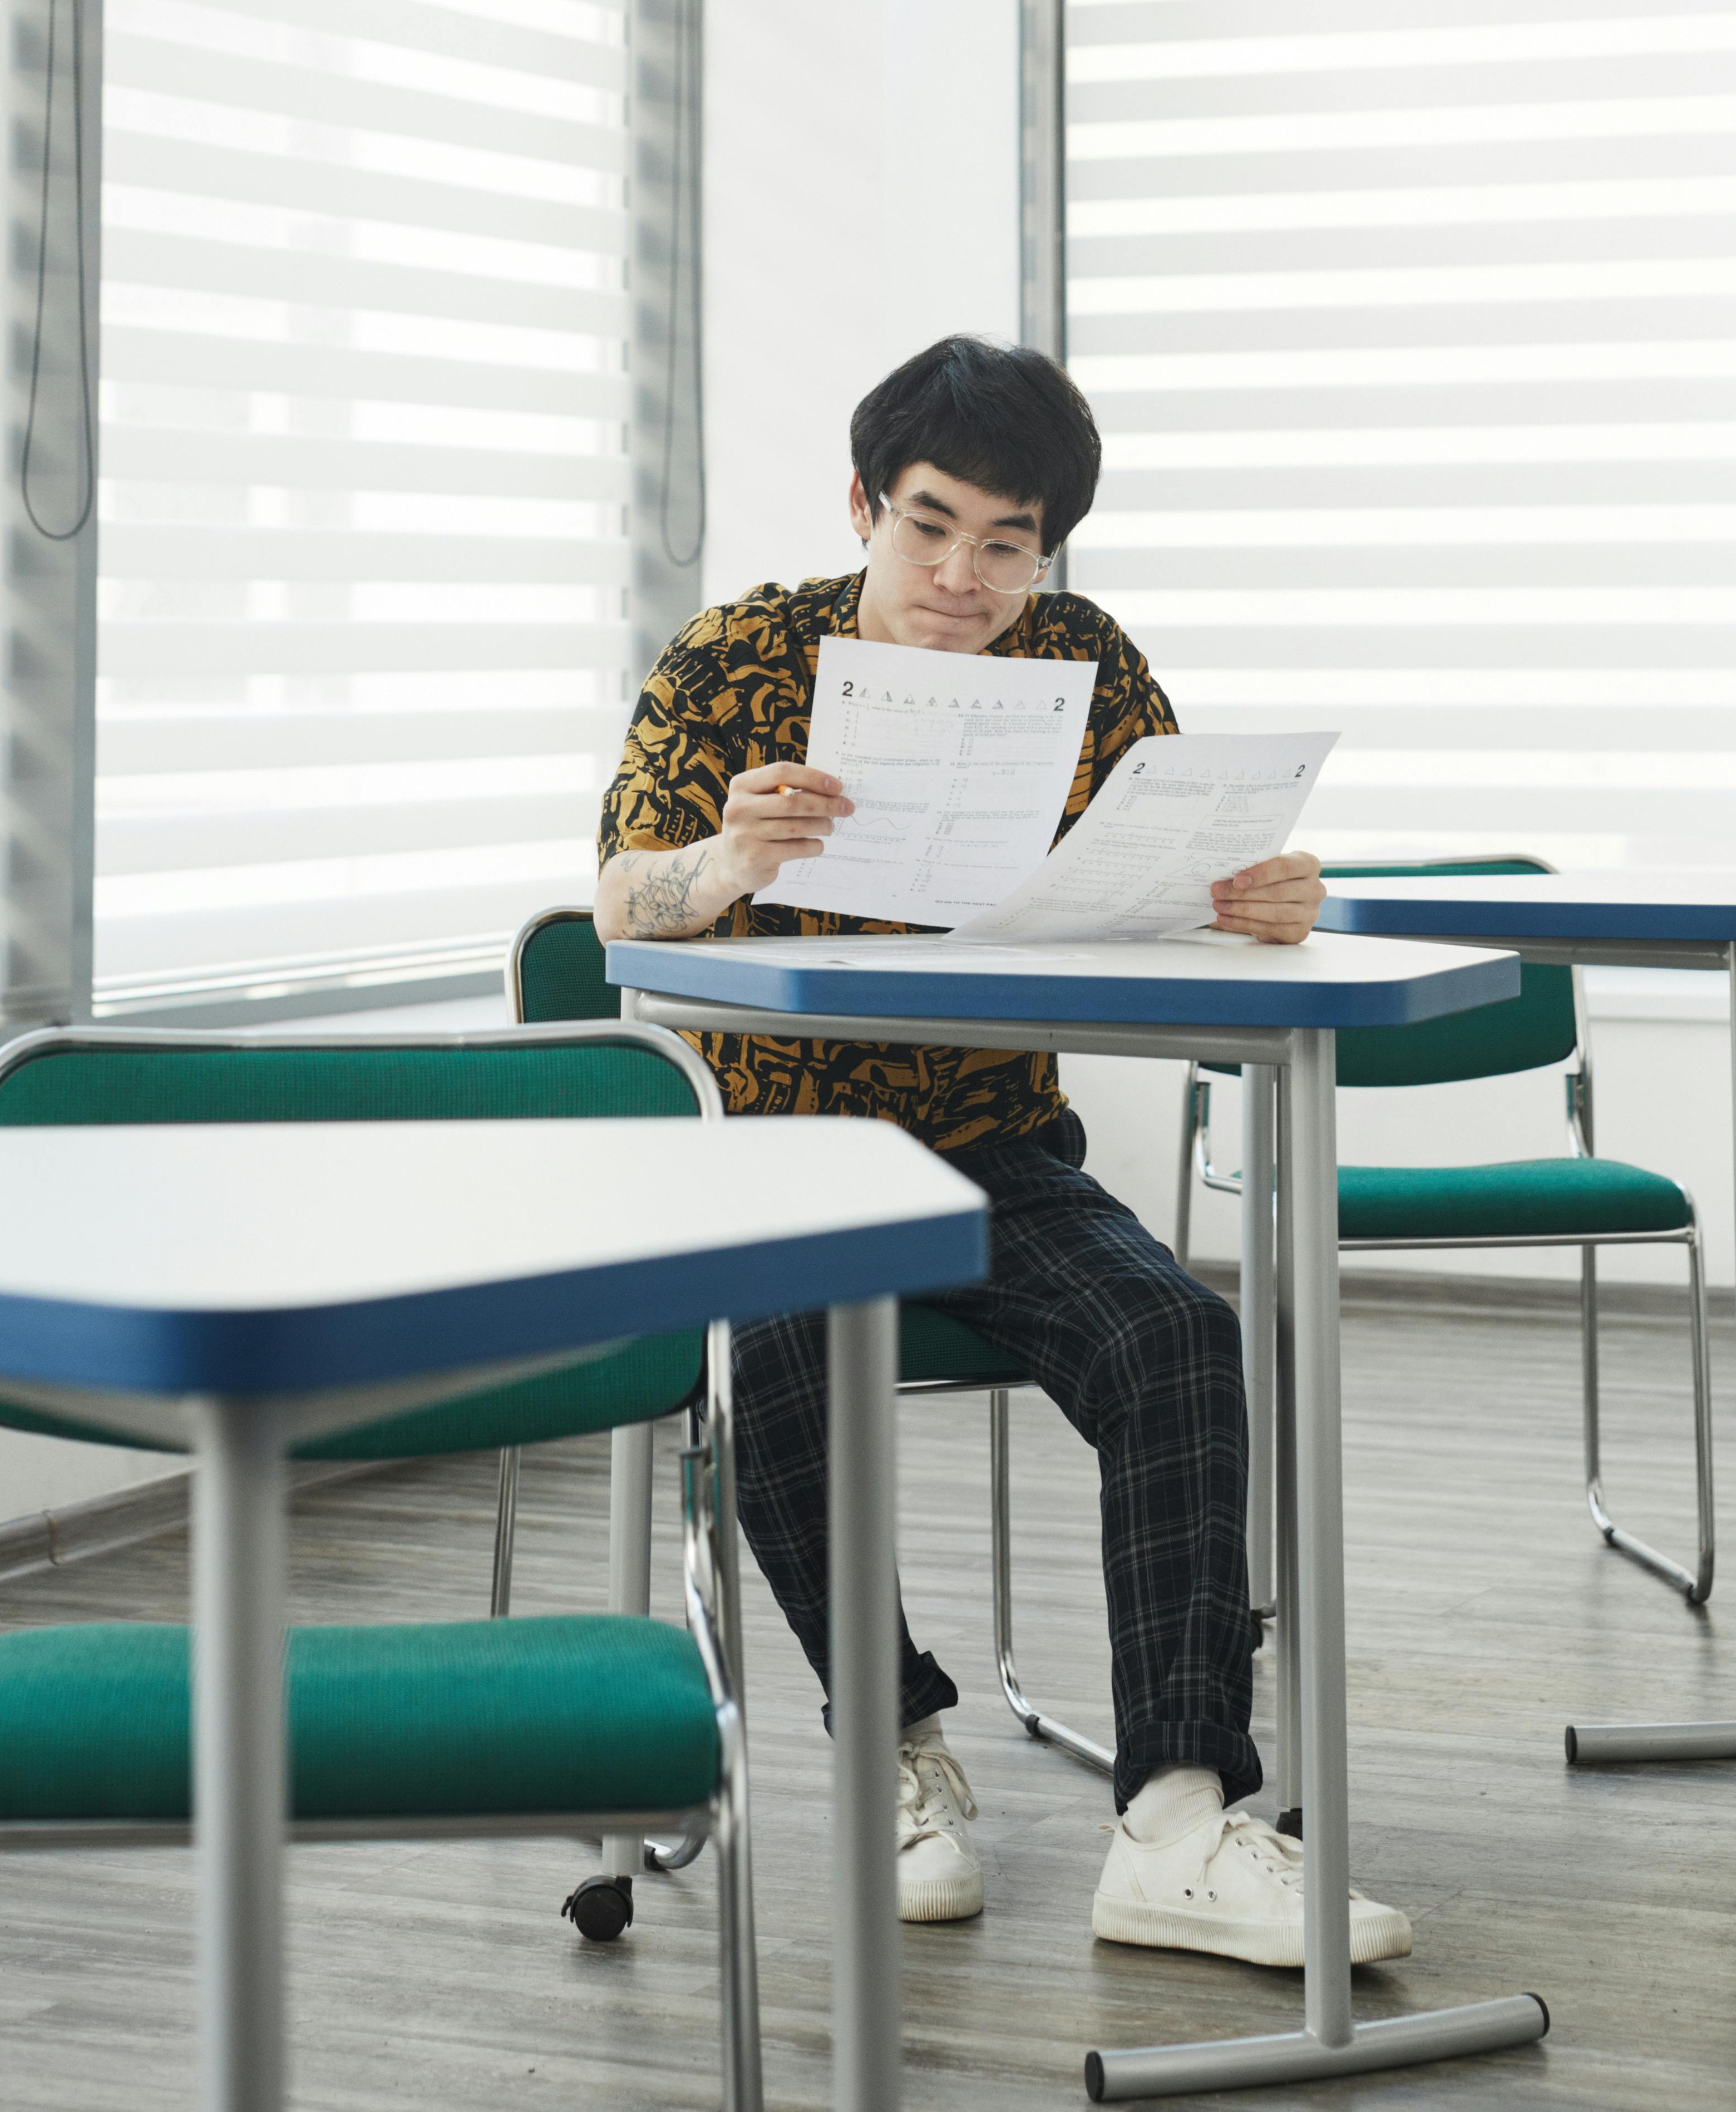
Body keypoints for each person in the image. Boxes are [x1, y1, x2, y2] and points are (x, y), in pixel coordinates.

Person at [595, 334, 1412, 1970]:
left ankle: (1176, 1816)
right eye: (928, 526)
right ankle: (891, 1752)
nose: (964, 577)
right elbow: (623, 909)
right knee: (779, 1343)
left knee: (1173, 1335)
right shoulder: (736, 655)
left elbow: (1172, 876)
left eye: (1006, 542)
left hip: (988, 1144)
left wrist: (1262, 905)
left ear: (1048, 548)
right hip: (766, 1148)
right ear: (861, 504)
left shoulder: (1085, 659)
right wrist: (726, 856)